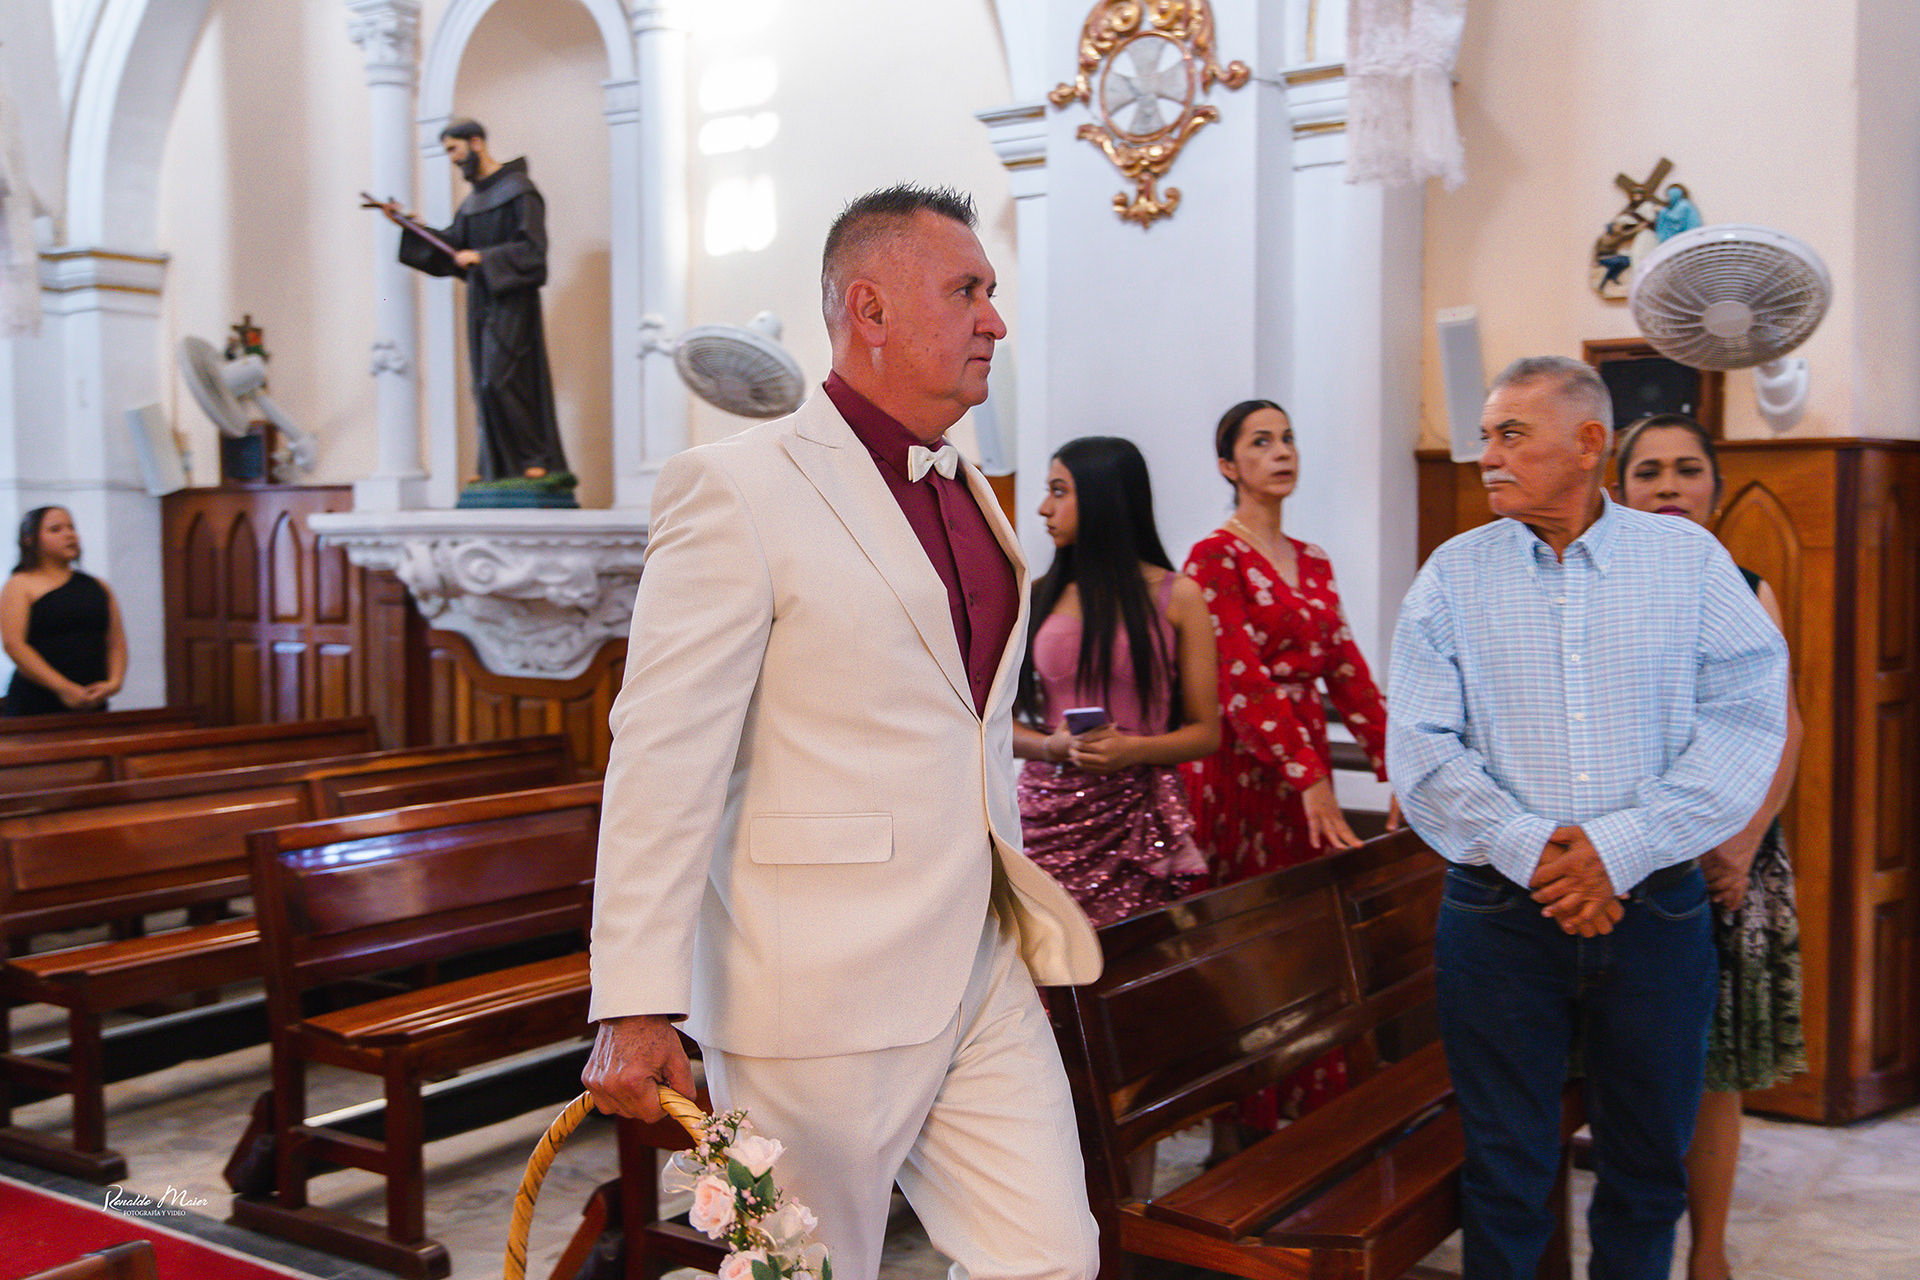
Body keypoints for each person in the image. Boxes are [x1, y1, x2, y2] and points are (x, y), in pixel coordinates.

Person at [580, 185, 1102, 1280]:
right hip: (812, 984)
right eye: (967, 292)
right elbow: (664, 756)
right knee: (811, 1273)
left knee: (1052, 1257)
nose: (995, 320)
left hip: (979, 956)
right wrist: (635, 1001)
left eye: (991, 293)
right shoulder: (735, 487)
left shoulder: (974, 490)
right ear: (870, 308)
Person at [1387, 356, 1789, 1280]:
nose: (1487, 456)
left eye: (1510, 435)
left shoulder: (1687, 562)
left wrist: (1621, 848)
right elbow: (1421, 745)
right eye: (1484, 436)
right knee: (1506, 1173)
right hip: (1498, 912)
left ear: (1588, 443)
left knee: (1646, 1170)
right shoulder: (1453, 575)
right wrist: (1543, 854)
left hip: (1655, 907)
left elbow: (1747, 716)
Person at [1615, 413, 1805, 1280]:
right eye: (1648, 470)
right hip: (1624, 856)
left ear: (1717, 492)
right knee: (1622, 1063)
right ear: (1618, 492)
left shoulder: (1744, 587)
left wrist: (1741, 840)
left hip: (1726, 859)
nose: (1668, 485)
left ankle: (1709, 1253)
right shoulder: (1601, 588)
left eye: (1687, 469)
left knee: (1713, 1064)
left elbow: (1783, 726)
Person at [1182, 399, 1396, 1129]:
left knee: (1309, 936)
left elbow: (1348, 670)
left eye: (1288, 439)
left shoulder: (1314, 560)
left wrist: (1398, 764)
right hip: (1244, 768)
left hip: (1304, 769)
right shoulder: (1214, 556)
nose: (1281, 452)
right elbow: (1238, 678)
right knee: (1252, 939)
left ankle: (1313, 1111)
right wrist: (1308, 774)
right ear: (1228, 465)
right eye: (1260, 442)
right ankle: (1245, 1119)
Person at [1011, 435, 1219, 928]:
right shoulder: (1034, 595)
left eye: (1059, 491)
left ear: (1103, 498)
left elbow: (1206, 732)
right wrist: (1051, 747)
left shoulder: (1179, 596)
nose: (1044, 508)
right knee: (1044, 955)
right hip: (1046, 810)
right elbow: (993, 722)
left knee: (1135, 957)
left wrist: (1134, 750)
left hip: (1135, 817)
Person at [388, 119, 571, 487]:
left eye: (454, 149)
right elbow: (452, 248)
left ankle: (535, 457)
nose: (453, 159)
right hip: (481, 298)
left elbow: (533, 251)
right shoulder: (472, 203)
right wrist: (411, 225)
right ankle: (497, 466)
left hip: (512, 299)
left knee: (500, 379)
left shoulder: (519, 191)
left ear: (476, 142)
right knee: (482, 384)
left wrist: (484, 258)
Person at [2, 506, 126, 717]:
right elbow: (14, 645)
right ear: (30, 540)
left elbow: (115, 641)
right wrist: (64, 688)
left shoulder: (98, 586)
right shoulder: (20, 585)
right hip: (37, 703)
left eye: (71, 527)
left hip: (92, 699)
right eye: (55, 529)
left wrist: (114, 683)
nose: (69, 534)